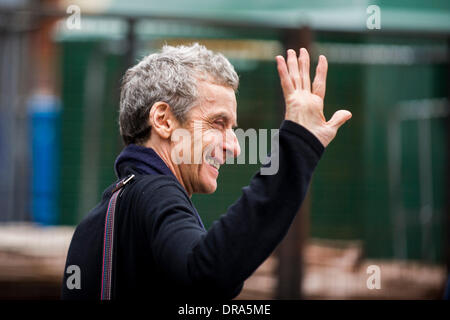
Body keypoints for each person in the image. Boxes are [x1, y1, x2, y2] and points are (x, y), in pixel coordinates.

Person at [61, 43, 351, 300]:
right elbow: (208, 275)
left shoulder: (94, 223)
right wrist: (297, 146)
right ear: (163, 120)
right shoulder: (157, 193)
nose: (234, 147)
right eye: (218, 123)